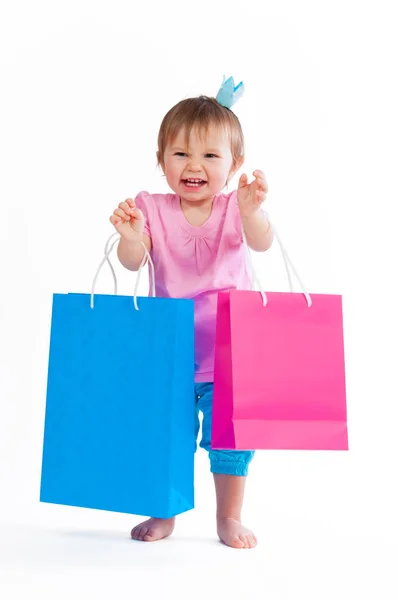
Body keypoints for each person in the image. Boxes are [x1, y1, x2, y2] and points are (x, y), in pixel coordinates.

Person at [109, 80, 274, 549]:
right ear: (161, 159)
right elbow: (134, 261)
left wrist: (253, 210)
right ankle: (164, 512)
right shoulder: (153, 208)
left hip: (230, 351)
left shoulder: (233, 207)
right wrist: (129, 235)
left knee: (230, 442)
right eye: (180, 154)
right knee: (165, 435)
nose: (193, 166)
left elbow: (262, 242)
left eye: (209, 156)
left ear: (234, 164)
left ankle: (229, 516)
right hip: (172, 349)